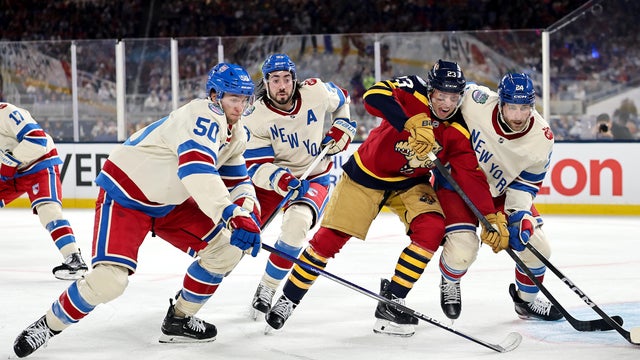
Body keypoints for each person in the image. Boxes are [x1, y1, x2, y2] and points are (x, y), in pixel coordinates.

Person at [13, 63, 262, 358]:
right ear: (214, 95)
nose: (240, 105)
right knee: (110, 280)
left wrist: (247, 211)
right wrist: (231, 215)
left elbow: (238, 181)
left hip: (170, 204)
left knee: (226, 250)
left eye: (245, 99)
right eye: (234, 98)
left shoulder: (237, 133)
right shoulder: (201, 115)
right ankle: (47, 325)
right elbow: (197, 172)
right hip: (127, 196)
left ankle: (179, 320)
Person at [264, 60, 507, 336]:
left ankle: (392, 301)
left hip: (409, 182)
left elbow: (469, 175)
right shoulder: (413, 88)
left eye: (453, 97)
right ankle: (288, 299)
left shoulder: (459, 129)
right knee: (327, 241)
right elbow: (373, 96)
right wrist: (411, 121)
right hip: (366, 175)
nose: (446, 103)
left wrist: (488, 215)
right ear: (431, 90)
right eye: (441, 95)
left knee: (432, 228)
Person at [436, 73, 563, 322]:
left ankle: (525, 302)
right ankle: (450, 281)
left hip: (500, 192)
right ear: (501, 103)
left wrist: (519, 215)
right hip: (457, 184)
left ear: (532, 106)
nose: (517, 115)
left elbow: (527, 184)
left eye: (524, 108)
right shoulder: (476, 100)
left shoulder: (542, 138)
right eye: (512, 107)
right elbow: (444, 104)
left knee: (538, 246)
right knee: (463, 250)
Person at [243, 53, 355, 320]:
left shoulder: (315, 92)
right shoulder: (255, 116)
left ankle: (267, 288)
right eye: (274, 80)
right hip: (274, 180)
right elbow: (255, 167)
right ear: (266, 83)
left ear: (295, 80)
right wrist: (279, 179)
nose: (281, 86)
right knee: (236, 241)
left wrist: (343, 124)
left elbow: (344, 98)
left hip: (314, 176)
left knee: (297, 225)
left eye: (286, 79)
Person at [1, 102, 88, 280]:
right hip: (12, 171)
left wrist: (10, 162)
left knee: (48, 211)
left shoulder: (6, 112)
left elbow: (37, 140)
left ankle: (74, 258)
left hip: (39, 164)